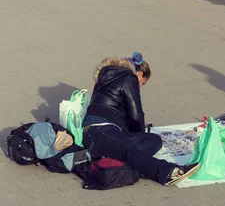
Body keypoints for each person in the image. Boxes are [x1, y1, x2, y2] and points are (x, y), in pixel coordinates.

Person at [82, 52, 200, 186]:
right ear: (139, 75)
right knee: (131, 149)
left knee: (154, 140)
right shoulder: (129, 77)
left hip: (102, 132)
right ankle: (169, 172)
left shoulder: (104, 78)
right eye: (142, 84)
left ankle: (119, 161)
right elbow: (136, 114)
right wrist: (138, 132)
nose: (140, 87)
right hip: (99, 129)